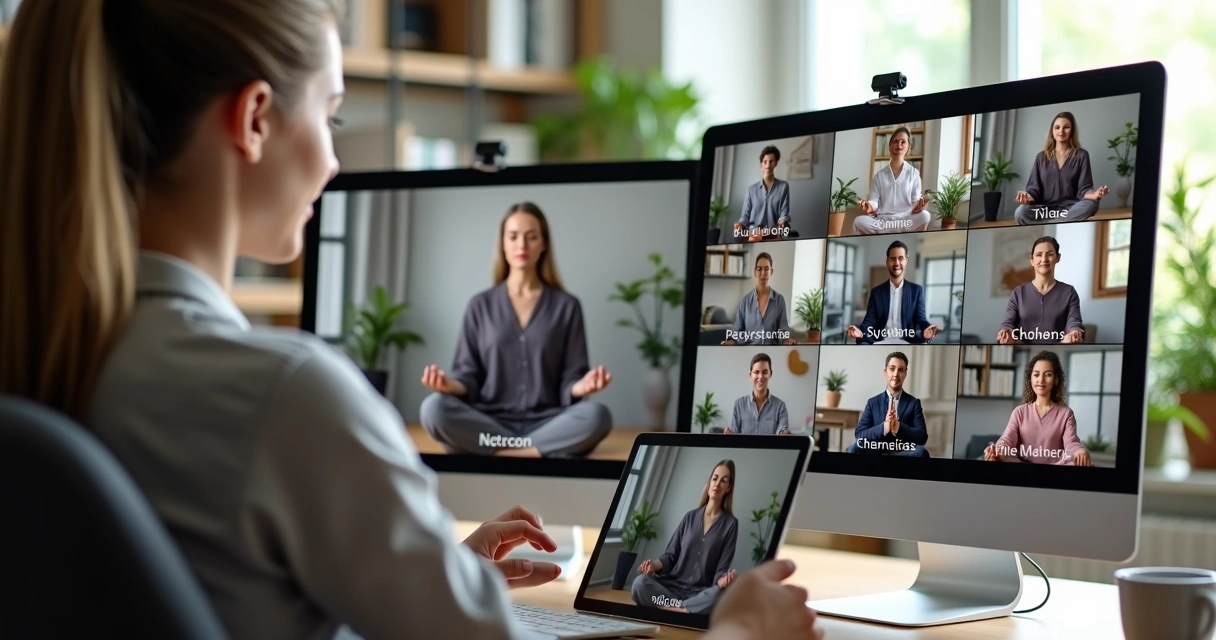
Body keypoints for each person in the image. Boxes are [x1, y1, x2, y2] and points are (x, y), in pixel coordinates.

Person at [0, 2, 825, 639]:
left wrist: (432, 578)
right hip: (491, 423)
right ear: (253, 120)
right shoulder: (285, 394)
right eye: (329, 117)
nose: (333, 159)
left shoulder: (41, 358)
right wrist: (738, 631)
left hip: (539, 425)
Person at [419, 203, 612, 458]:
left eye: (531, 237)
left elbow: (571, 377)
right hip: (490, 422)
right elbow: (468, 377)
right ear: (502, 243)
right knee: (433, 408)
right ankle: (533, 451)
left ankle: (500, 452)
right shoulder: (480, 305)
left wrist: (582, 386)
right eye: (513, 236)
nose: (522, 245)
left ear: (544, 243)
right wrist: (448, 385)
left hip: (548, 423)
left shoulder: (567, 306)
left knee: (597, 415)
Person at [632, 460, 741, 615]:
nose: (717, 483)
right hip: (671, 588)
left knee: (719, 594)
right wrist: (653, 566)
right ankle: (683, 609)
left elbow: (721, 570)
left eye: (724, 480)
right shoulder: (690, 517)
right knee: (639, 583)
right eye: (715, 478)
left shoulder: (731, 524)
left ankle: (671, 608)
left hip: (699, 594)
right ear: (709, 482)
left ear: (728, 488)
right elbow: (670, 555)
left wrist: (724, 580)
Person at [984, 352, 1092, 466]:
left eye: (1048, 375)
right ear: (1030, 378)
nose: (1041, 380)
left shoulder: (1066, 414)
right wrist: (996, 450)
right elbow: (1007, 439)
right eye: (1036, 375)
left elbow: (1071, 442)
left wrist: (1079, 451)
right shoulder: (1019, 412)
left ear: (1056, 379)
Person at [1013, 112, 1111, 225]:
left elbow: (1084, 189)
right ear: (1052, 131)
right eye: (1057, 127)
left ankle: (1052, 222)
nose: (1061, 131)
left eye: (1066, 127)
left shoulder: (1081, 155)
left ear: (1072, 131)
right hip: (1045, 210)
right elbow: (1033, 190)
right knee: (1020, 212)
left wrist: (1095, 195)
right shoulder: (1041, 157)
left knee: (1091, 205)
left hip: (1071, 208)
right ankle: (1062, 221)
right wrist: (1027, 197)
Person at [846, 241, 941, 344]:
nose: (896, 263)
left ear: (906, 261)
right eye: (892, 259)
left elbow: (921, 320)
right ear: (887, 262)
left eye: (900, 258)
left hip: (907, 342)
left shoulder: (916, 291)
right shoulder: (876, 292)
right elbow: (869, 321)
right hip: (881, 342)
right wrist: (860, 332)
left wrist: (926, 329)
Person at [997, 236, 1085, 345]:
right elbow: (1008, 322)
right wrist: (1005, 332)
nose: (1044, 259)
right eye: (1039, 255)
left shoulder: (1069, 292)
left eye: (1050, 254)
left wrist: (1074, 332)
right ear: (1032, 260)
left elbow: (1074, 322)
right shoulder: (1017, 293)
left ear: (1058, 258)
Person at [846, 352, 930, 457]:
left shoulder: (914, 403)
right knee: (854, 448)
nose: (896, 374)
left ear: (905, 373)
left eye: (900, 370)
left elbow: (922, 437)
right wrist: (884, 428)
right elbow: (860, 434)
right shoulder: (872, 402)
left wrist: (899, 428)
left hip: (902, 453)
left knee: (921, 452)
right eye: (892, 369)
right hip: (876, 452)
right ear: (885, 372)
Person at [854, 127, 931, 235]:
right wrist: (868, 206)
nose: (899, 145)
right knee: (858, 221)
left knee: (925, 216)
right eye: (895, 141)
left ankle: (889, 232)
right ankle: (894, 232)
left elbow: (915, 202)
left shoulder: (914, 173)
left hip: (905, 221)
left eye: (903, 142)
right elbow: (874, 202)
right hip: (883, 222)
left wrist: (919, 206)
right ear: (890, 146)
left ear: (908, 146)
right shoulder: (879, 176)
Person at [721, 252, 797, 346]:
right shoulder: (744, 301)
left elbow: (783, 329)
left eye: (766, 269)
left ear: (771, 271)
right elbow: (737, 330)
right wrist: (731, 341)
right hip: (749, 351)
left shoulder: (779, 300)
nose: (763, 273)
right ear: (755, 272)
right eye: (759, 269)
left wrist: (787, 340)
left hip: (772, 351)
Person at [734, 145, 794, 242]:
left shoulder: (783, 187)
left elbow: (784, 214)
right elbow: (745, 216)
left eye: (771, 161)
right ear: (761, 164)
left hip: (773, 235)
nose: (768, 165)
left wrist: (783, 222)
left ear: (776, 163)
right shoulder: (751, 190)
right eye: (765, 161)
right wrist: (739, 225)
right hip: (754, 235)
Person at [725, 354, 791, 435]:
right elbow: (734, 434)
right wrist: (729, 434)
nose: (760, 376)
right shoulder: (739, 404)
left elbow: (782, 432)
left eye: (765, 372)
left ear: (770, 374)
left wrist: (784, 433)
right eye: (756, 372)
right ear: (750, 375)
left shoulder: (780, 406)